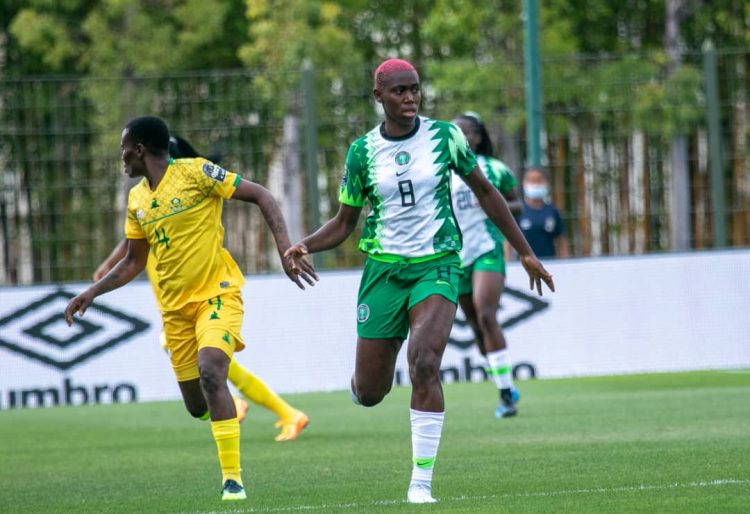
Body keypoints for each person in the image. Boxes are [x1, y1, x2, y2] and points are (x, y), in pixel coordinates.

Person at [284, 58, 554, 504]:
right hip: (384, 272)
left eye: (415, 90)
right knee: (371, 393)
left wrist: (524, 250)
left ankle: (421, 483)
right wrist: (306, 244)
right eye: (399, 92)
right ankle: (361, 385)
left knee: (424, 361)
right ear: (378, 97)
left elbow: (488, 192)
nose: (410, 98)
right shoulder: (361, 152)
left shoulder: (445, 136)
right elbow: (345, 220)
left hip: (438, 264)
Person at [64, 116, 316, 501]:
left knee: (213, 368)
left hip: (217, 295)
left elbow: (263, 195)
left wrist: (285, 249)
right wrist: (93, 292)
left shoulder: (198, 173)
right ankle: (226, 410)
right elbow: (133, 260)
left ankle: (233, 480)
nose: (122, 160)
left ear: (140, 150)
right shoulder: (137, 200)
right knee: (197, 404)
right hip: (174, 313)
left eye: (123, 152)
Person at [93, 136, 310, 443]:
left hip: (205, 303)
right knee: (216, 373)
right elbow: (133, 243)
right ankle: (275, 411)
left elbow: (132, 247)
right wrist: (105, 270)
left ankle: (276, 413)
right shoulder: (147, 207)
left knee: (214, 371)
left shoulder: (187, 191)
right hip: (178, 312)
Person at [450, 112, 522, 418]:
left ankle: (506, 394)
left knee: (486, 312)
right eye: (455, 132)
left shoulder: (494, 169)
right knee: (478, 330)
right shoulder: (441, 171)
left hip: (488, 248)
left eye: (466, 132)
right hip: (456, 255)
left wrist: (494, 204)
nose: (461, 137)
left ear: (477, 137)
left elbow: (517, 205)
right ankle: (504, 380)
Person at [515, 167, 570, 259]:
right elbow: (507, 243)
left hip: (549, 263)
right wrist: (508, 265)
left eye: (539, 180)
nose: (535, 184)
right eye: (531, 181)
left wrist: (566, 263)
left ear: (546, 183)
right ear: (524, 183)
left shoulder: (553, 211)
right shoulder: (518, 211)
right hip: (524, 264)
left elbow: (562, 241)